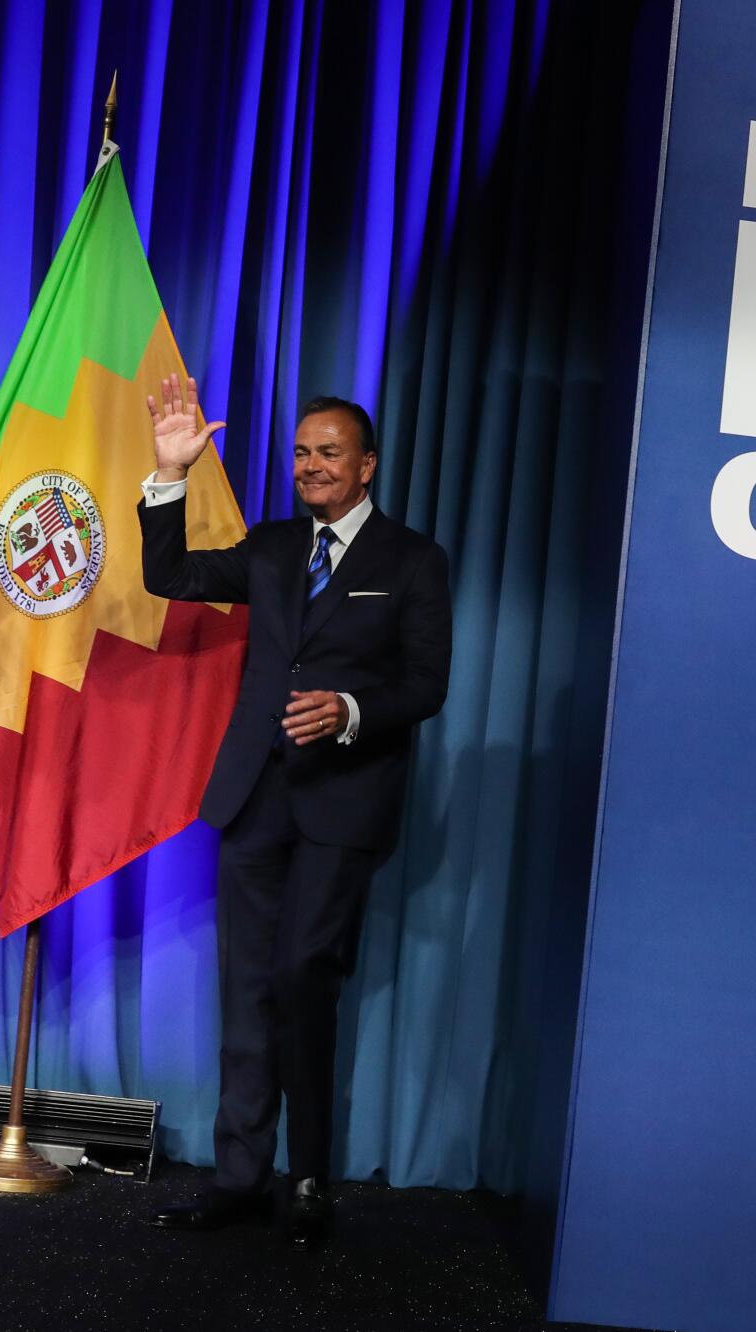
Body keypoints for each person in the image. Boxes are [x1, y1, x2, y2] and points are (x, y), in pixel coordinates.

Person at [139, 375, 452, 1249]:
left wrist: (349, 711)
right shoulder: (274, 545)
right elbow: (169, 572)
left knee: (300, 980)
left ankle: (308, 1178)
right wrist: (170, 476)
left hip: (342, 804)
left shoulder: (413, 560)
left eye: (330, 452)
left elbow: (426, 684)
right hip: (256, 797)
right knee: (245, 988)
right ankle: (238, 1177)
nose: (312, 465)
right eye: (302, 452)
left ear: (368, 465)